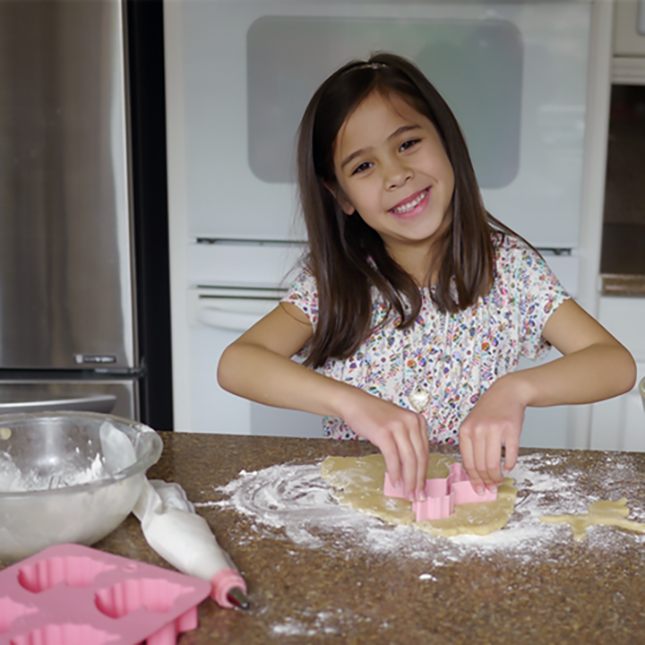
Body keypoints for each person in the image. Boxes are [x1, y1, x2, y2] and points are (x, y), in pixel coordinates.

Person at [218, 52, 636, 503]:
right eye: (363, 166)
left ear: (446, 140)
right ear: (341, 196)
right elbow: (238, 362)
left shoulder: (511, 271)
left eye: (407, 143)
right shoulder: (336, 285)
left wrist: (516, 389)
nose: (397, 175)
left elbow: (614, 363)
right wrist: (352, 404)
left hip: (473, 524)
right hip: (361, 525)